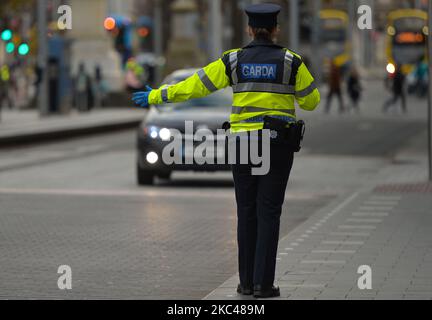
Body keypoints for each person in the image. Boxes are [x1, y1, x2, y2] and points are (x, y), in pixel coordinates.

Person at [132, 3, 320, 298]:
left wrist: (158, 95)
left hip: (243, 144)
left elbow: (196, 86)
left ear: (249, 29)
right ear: (275, 30)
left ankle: (245, 283)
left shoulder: (233, 61)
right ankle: (263, 284)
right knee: (268, 212)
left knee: (246, 211)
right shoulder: (291, 62)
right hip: (276, 145)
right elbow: (311, 102)